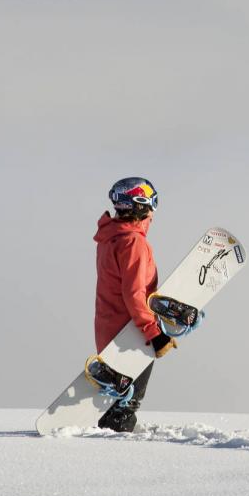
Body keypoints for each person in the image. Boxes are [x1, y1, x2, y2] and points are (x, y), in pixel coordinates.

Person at [93, 176, 176, 432]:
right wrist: (154, 333)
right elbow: (134, 294)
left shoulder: (110, 238)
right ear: (140, 205)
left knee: (117, 398)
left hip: (108, 327)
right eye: (151, 205)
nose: (153, 212)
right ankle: (120, 450)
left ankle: (107, 431)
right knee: (127, 406)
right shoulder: (133, 242)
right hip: (132, 333)